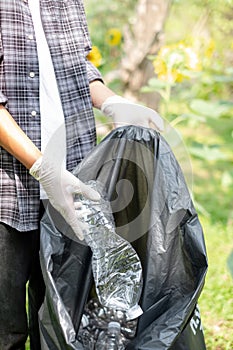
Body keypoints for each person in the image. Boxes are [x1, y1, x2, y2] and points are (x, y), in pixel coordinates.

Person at [0, 0, 164, 349]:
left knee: (65, 325)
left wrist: (111, 101)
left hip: (73, 179)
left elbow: (77, 67)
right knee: (6, 329)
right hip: (8, 191)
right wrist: (42, 168)